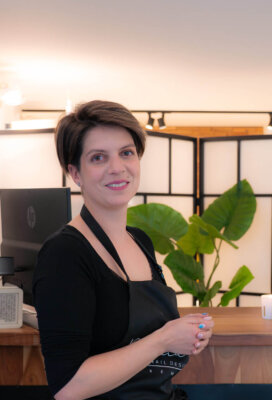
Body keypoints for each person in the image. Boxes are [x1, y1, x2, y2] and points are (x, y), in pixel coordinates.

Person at [33, 100, 213, 400]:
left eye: (126, 153)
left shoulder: (140, 240)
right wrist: (163, 339)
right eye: (98, 157)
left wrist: (188, 332)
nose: (117, 168)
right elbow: (68, 387)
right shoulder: (64, 254)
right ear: (75, 173)